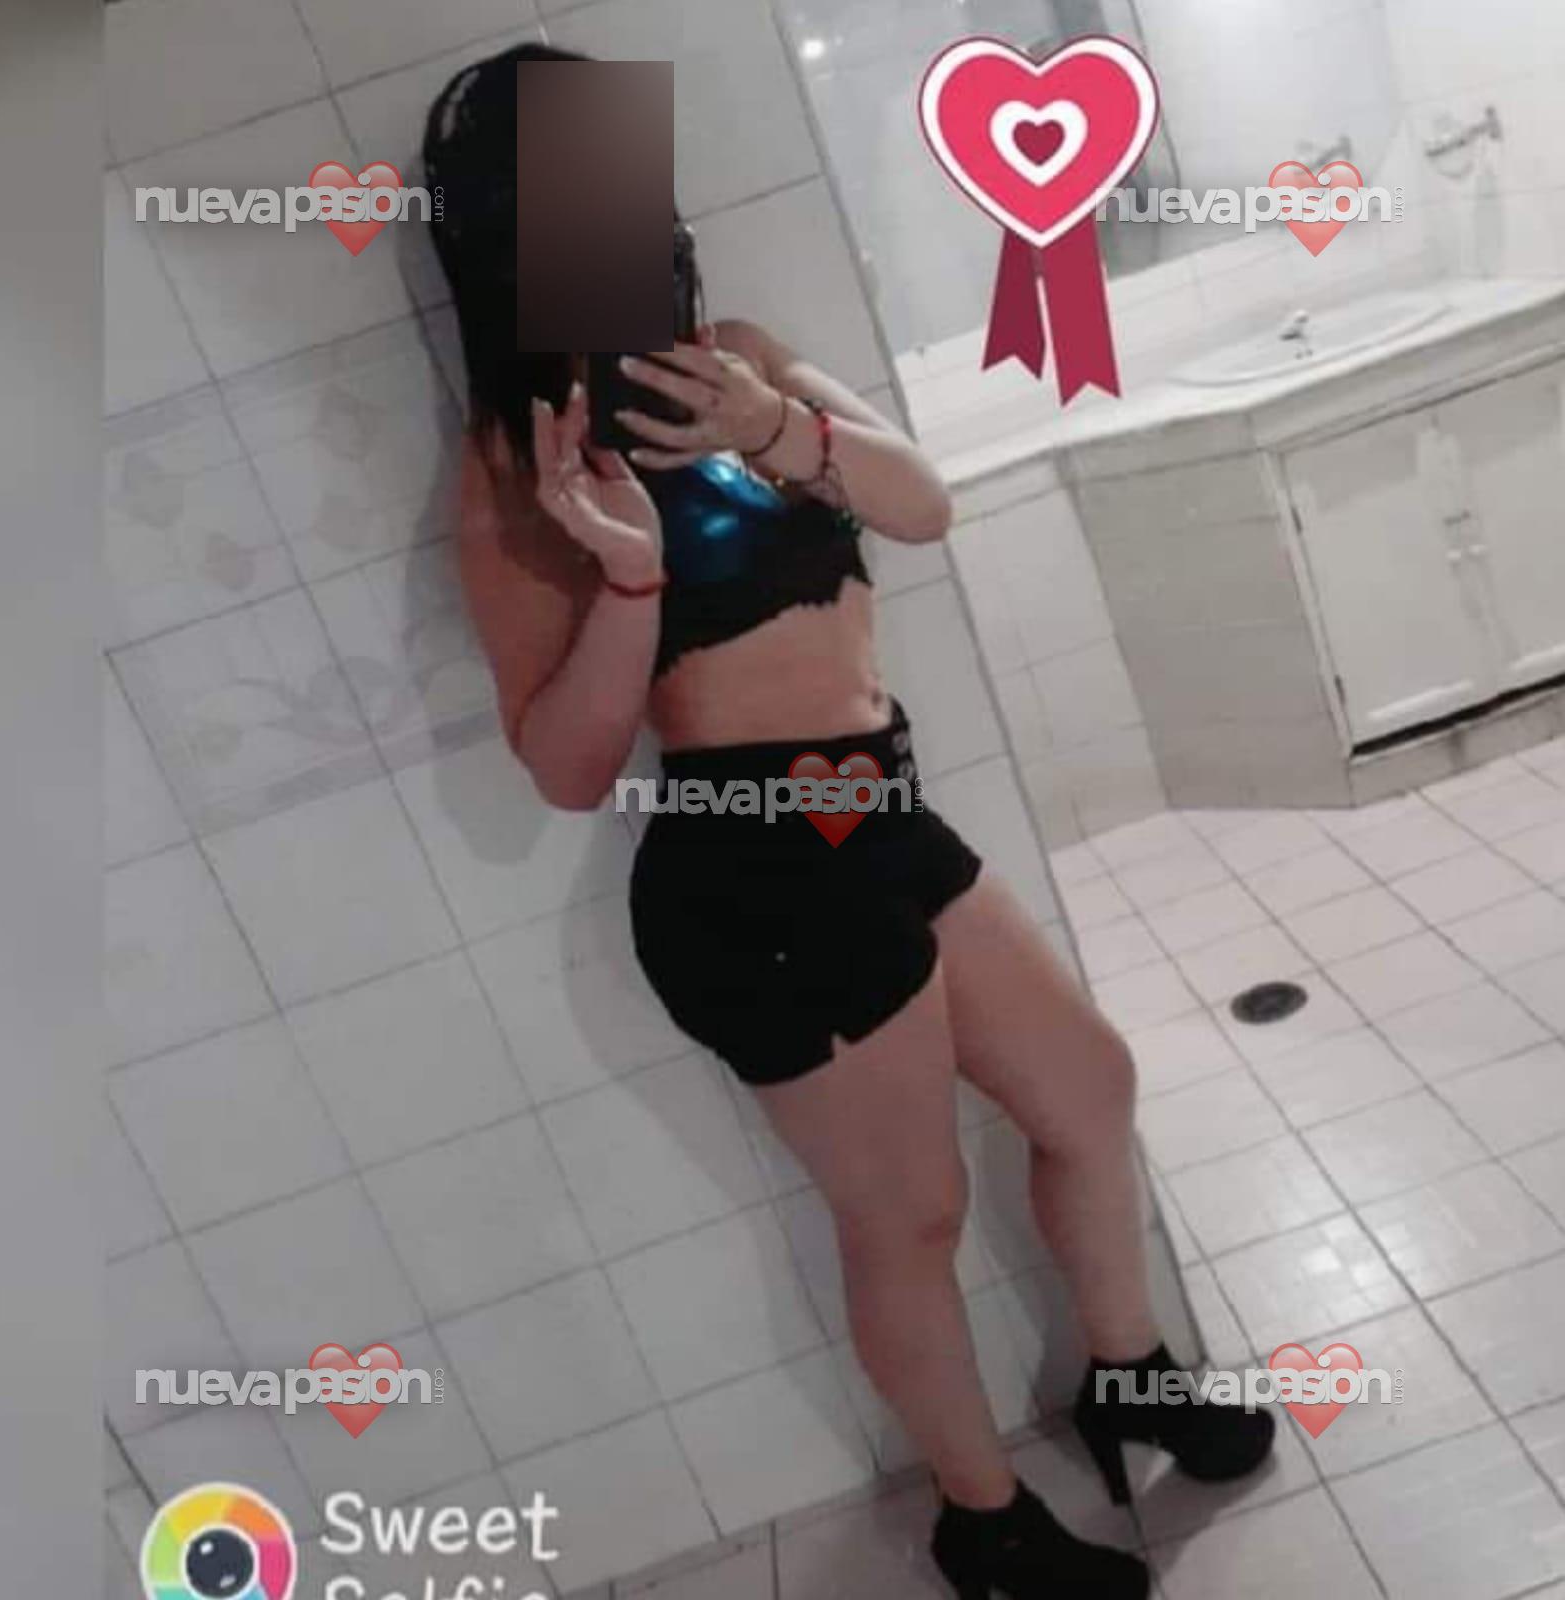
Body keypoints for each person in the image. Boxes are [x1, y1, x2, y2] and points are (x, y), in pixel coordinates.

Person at [424, 44, 1272, 1599]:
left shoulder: (733, 355)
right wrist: (628, 574)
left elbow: (920, 503)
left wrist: (775, 426)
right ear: (500, 235)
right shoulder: (514, 465)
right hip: (754, 871)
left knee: (1088, 1088)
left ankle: (1131, 1374)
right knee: (911, 1215)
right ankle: (982, 1520)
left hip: (875, 809)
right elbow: (564, 766)